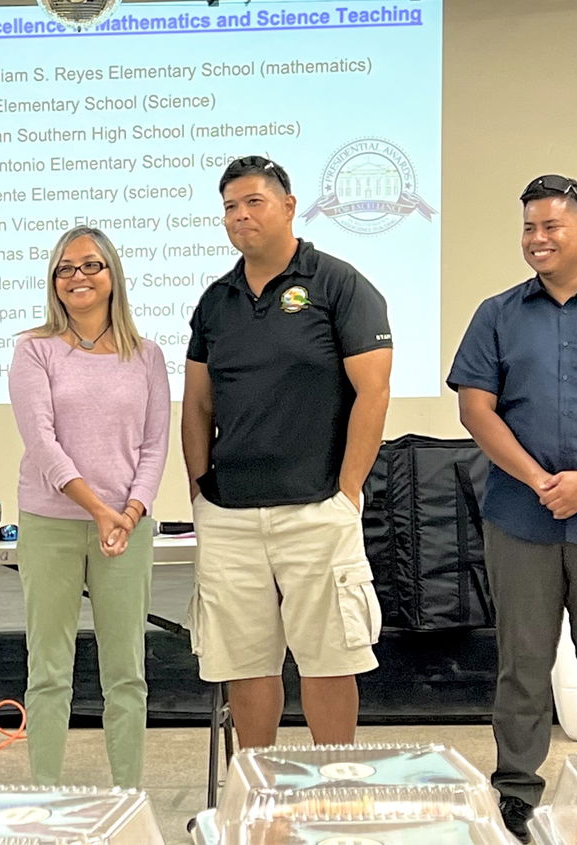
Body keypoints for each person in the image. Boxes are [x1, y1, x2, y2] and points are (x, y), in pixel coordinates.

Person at [181, 156, 392, 749]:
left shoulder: (338, 284)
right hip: (230, 514)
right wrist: (200, 490)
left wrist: (347, 491)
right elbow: (197, 404)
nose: (240, 216)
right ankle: (258, 794)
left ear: (289, 206)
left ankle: (337, 785)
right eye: (229, 206)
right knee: (245, 664)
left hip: (317, 506)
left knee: (329, 658)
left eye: (253, 202)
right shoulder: (216, 301)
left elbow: (372, 393)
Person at [448, 174, 577, 842]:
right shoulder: (497, 313)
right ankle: (517, 792)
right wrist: (541, 479)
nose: (537, 239)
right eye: (528, 228)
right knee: (522, 663)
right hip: (521, 518)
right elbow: (474, 406)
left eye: (551, 226)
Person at [7, 226, 170, 788]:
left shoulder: (147, 356)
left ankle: (129, 795)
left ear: (112, 276)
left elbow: (154, 444)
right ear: (53, 282)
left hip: (127, 528)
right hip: (52, 523)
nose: (78, 276)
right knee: (48, 671)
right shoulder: (34, 349)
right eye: (65, 268)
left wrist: (131, 510)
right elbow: (42, 441)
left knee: (126, 674)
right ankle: (46, 798)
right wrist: (100, 510)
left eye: (90, 265)